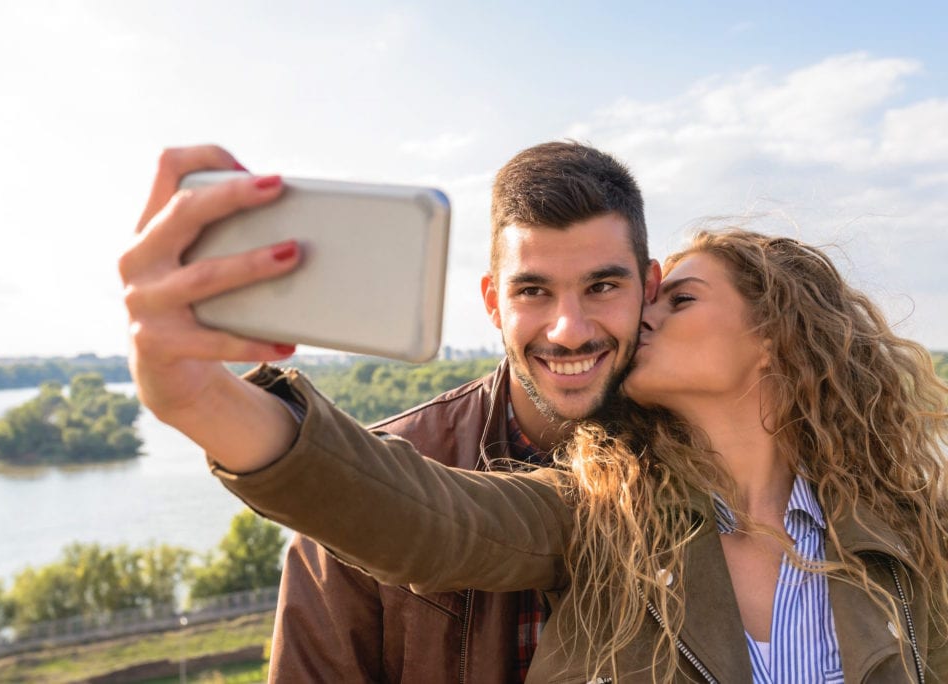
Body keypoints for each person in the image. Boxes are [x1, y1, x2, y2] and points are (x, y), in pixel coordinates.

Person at [124, 200, 948, 678]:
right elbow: (417, 514)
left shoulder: (909, 527)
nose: (637, 315)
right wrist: (201, 398)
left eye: (679, 299)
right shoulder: (594, 512)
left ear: (775, 336)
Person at [120, 142, 661, 682]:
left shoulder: (706, 463)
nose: (568, 330)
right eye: (533, 291)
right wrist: (199, 397)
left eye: (603, 286)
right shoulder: (358, 492)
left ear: (650, 289)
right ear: (493, 303)